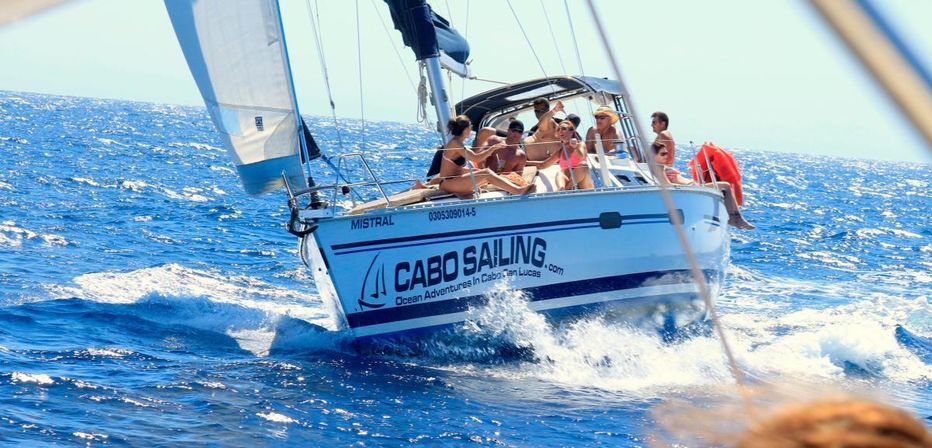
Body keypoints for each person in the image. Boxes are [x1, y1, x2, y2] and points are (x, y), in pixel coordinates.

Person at [419, 115, 532, 196]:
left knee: (487, 174)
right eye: (470, 127)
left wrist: (474, 173)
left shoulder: (458, 143)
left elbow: (457, 168)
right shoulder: (455, 144)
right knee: (487, 173)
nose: (471, 129)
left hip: (453, 179)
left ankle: (515, 188)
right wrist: (493, 148)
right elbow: (476, 157)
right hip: (448, 183)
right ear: (465, 130)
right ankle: (517, 190)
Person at [652, 142, 754, 229]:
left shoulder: (662, 167)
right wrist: (686, 187)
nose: (666, 155)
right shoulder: (659, 168)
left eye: (666, 153)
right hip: (691, 187)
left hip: (693, 185)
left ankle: (735, 217)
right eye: (663, 154)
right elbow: (666, 184)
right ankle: (736, 218)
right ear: (653, 155)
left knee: (724, 187)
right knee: (726, 186)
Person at [531, 120, 594, 190]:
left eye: (563, 129)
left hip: (583, 183)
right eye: (558, 129)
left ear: (571, 131)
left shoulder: (580, 144)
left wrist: (575, 147)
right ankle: (562, 190)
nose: (560, 131)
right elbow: (543, 165)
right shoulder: (561, 151)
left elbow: (581, 156)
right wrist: (525, 162)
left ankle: (568, 188)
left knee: (583, 165)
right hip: (568, 180)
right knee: (560, 173)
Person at [524, 97, 565, 162]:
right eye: (537, 111)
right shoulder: (533, 130)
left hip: (563, 160)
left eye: (542, 110)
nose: (539, 113)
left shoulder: (561, 123)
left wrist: (555, 109)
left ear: (548, 110)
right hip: (543, 164)